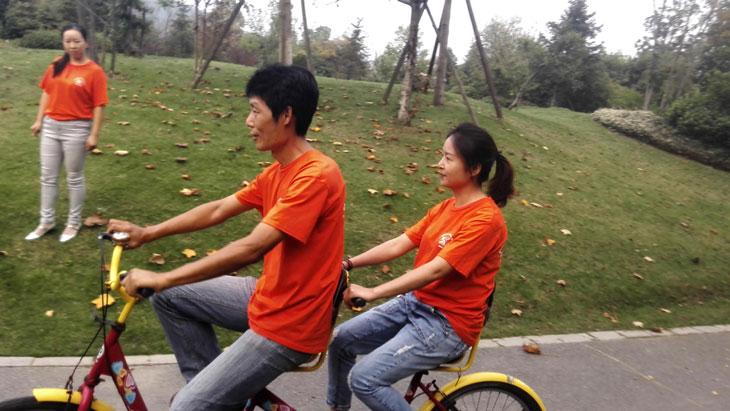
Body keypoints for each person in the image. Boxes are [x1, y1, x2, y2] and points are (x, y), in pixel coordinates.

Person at [106, 64, 346, 410]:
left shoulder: (316, 175)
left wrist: (163, 277)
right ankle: (214, 398)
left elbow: (253, 247)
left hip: (291, 324)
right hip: (268, 296)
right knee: (168, 297)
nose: (248, 122)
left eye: (255, 111)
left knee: (185, 407)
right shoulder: (277, 173)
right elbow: (218, 209)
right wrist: (147, 233)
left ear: (286, 115)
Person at [326, 123, 515, 411]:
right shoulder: (445, 208)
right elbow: (399, 244)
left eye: (448, 158)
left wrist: (373, 292)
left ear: (474, 168)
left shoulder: (486, 221)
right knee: (341, 341)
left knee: (365, 380)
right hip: (415, 304)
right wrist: (347, 264)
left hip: (447, 324)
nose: (439, 164)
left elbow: (437, 270)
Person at [25, 23, 108, 243]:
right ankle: (46, 221)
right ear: (63, 43)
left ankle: (73, 223)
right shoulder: (56, 65)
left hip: (77, 129)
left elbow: (99, 105)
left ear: (86, 42)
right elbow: (47, 92)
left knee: (74, 178)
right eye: (68, 41)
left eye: (77, 41)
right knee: (48, 177)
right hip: (51, 127)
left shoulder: (94, 71)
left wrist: (94, 135)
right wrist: (39, 120)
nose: (72, 46)